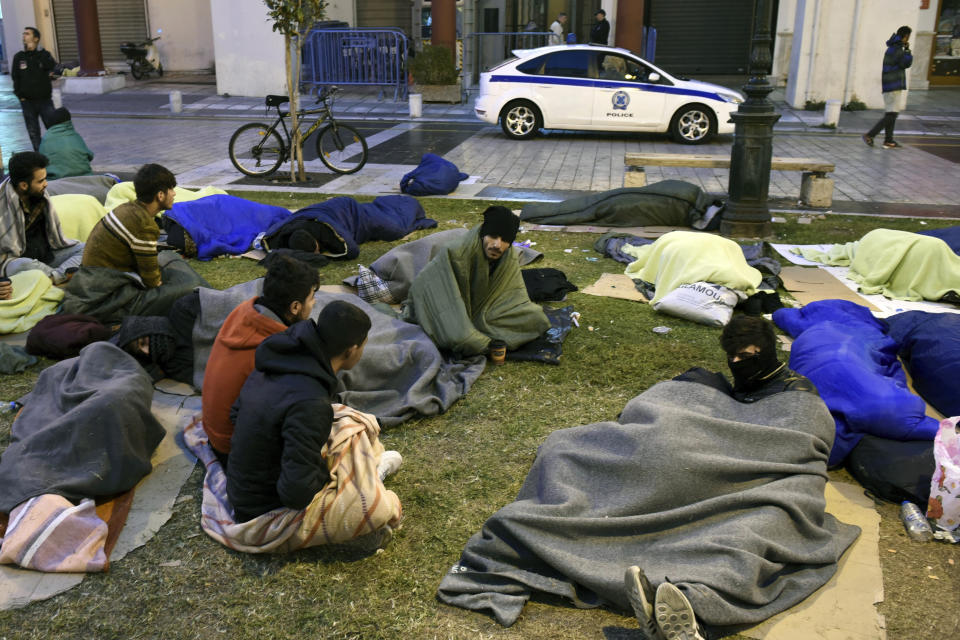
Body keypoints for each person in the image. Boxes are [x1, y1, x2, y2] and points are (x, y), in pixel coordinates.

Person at [226, 301, 399, 523]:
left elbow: (236, 414)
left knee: (344, 420)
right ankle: (372, 478)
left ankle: (366, 471)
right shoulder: (311, 402)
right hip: (262, 510)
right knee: (379, 510)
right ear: (352, 350)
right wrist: (324, 473)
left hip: (240, 487)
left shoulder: (280, 358)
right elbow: (296, 495)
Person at [201, 254, 320, 469]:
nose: (314, 303)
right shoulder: (278, 349)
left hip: (214, 436)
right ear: (295, 307)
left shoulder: (244, 310)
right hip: (235, 451)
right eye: (312, 298)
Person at [402, 205, 550, 357]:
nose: (497, 245)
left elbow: (515, 295)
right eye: (493, 236)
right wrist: (470, 332)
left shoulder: (508, 255)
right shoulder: (455, 252)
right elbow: (433, 292)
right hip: (443, 306)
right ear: (483, 234)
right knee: (464, 338)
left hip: (481, 311)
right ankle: (481, 338)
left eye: (504, 239)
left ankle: (479, 331)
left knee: (536, 318)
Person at [674, 314, 817, 403]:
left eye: (744, 356)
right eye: (731, 355)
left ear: (766, 353)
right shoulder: (753, 375)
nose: (735, 362)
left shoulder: (794, 393)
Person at [81, 163, 176, 287]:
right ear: (160, 195)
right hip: (105, 286)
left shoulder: (126, 208)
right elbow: (152, 281)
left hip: (91, 276)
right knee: (180, 280)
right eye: (171, 189)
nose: (174, 194)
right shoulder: (144, 226)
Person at [0, 151, 83, 289]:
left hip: (49, 257)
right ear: (23, 185)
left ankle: (53, 278)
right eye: (40, 181)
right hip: (19, 262)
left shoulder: (41, 195)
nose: (46, 184)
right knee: (22, 265)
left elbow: (55, 239)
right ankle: (63, 277)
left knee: (87, 248)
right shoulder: (3, 203)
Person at [863, 25, 912, 149]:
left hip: (889, 84)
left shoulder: (892, 47)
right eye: (908, 37)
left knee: (891, 113)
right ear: (905, 36)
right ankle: (870, 135)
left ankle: (888, 140)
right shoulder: (898, 49)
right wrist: (907, 51)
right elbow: (906, 63)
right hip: (893, 84)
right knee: (892, 114)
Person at [12, 27, 58, 152]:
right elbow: (15, 77)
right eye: (23, 34)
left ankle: (55, 152)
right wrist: (20, 95)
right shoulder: (19, 57)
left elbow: (53, 67)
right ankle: (39, 155)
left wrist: (39, 52)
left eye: (27, 34)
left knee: (53, 128)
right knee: (33, 132)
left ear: (36, 38)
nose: (24, 36)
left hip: (44, 100)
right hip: (27, 101)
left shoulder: (44, 54)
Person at [38, 108, 94, 180]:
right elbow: (90, 156)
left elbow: (41, 163)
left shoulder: (47, 138)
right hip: (84, 177)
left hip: (57, 180)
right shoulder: (74, 135)